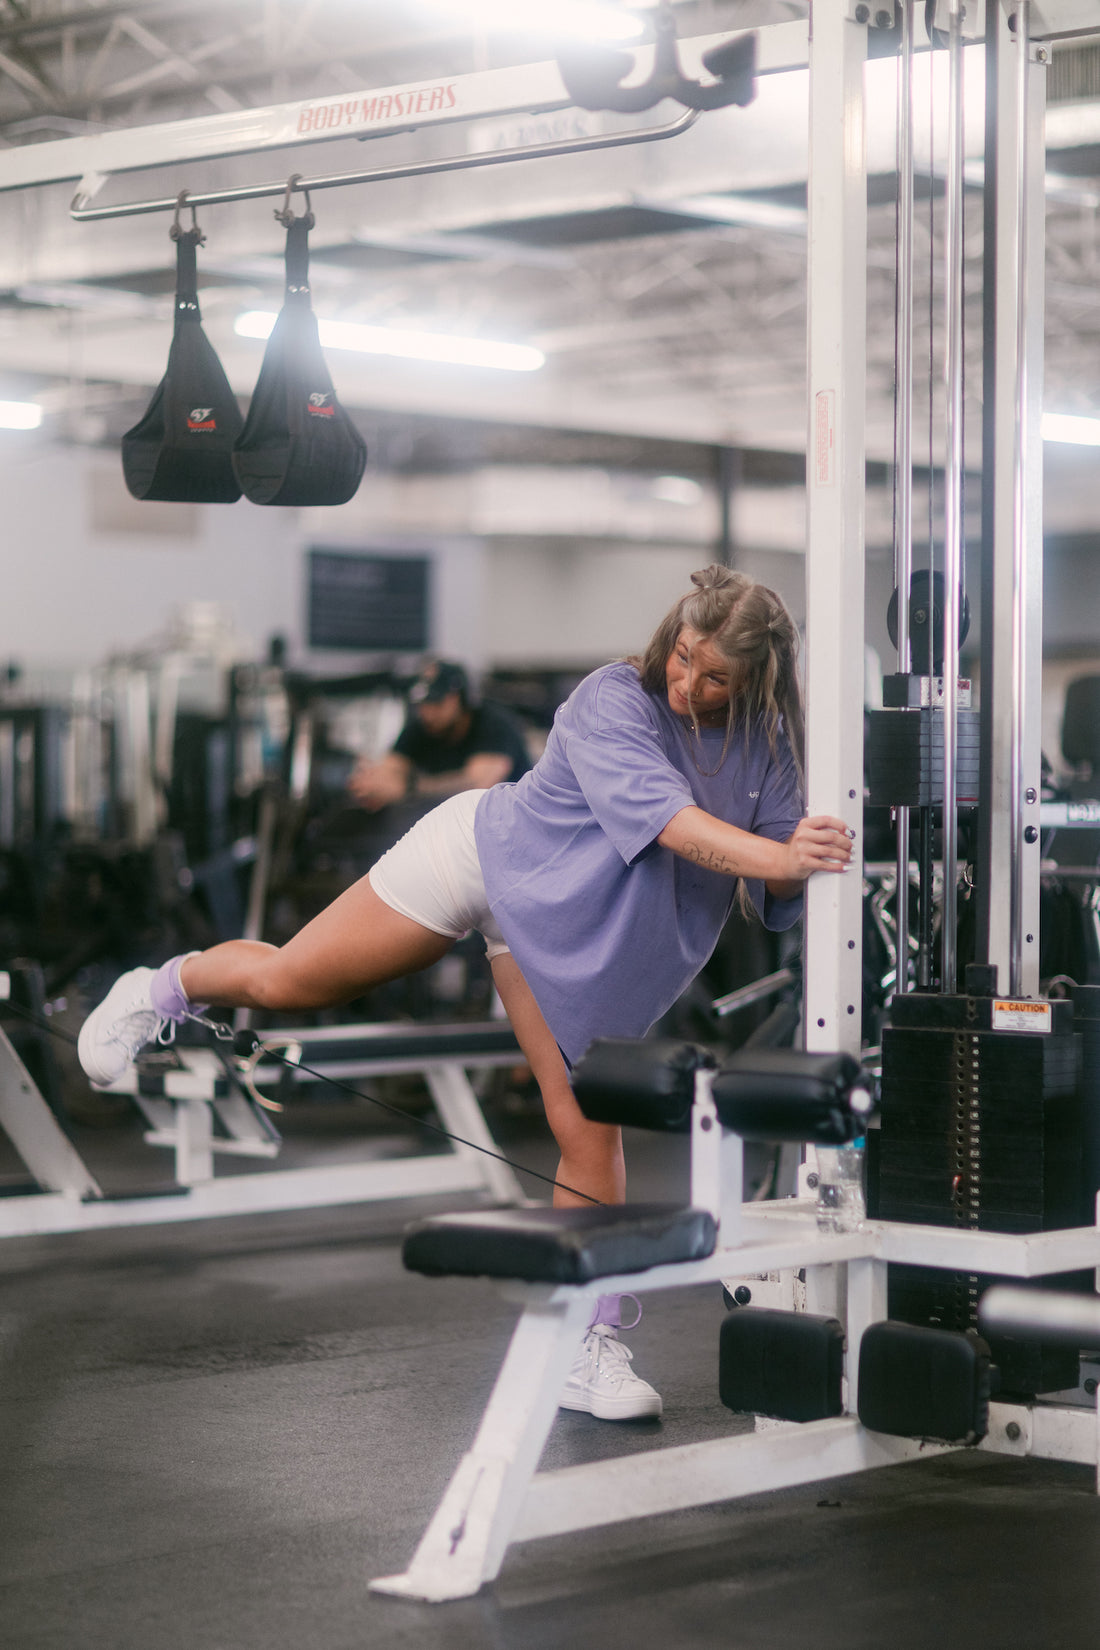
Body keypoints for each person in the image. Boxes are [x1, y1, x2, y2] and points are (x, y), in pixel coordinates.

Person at [78, 566, 853, 1422]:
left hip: (560, 934)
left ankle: (583, 1343)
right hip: (485, 857)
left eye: (714, 677)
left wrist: (803, 852)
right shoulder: (613, 697)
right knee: (288, 978)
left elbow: (779, 884)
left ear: (757, 682)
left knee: (585, 1122)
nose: (687, 683)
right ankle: (160, 987)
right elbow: (669, 820)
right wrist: (777, 857)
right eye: (683, 656)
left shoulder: (770, 745)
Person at [348, 659, 531, 812]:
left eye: (436, 703)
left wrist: (408, 788)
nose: (427, 712)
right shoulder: (422, 726)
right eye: (422, 704)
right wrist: (372, 783)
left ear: (459, 698)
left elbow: (476, 785)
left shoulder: (494, 724)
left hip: (512, 824)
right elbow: (391, 768)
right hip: (454, 827)